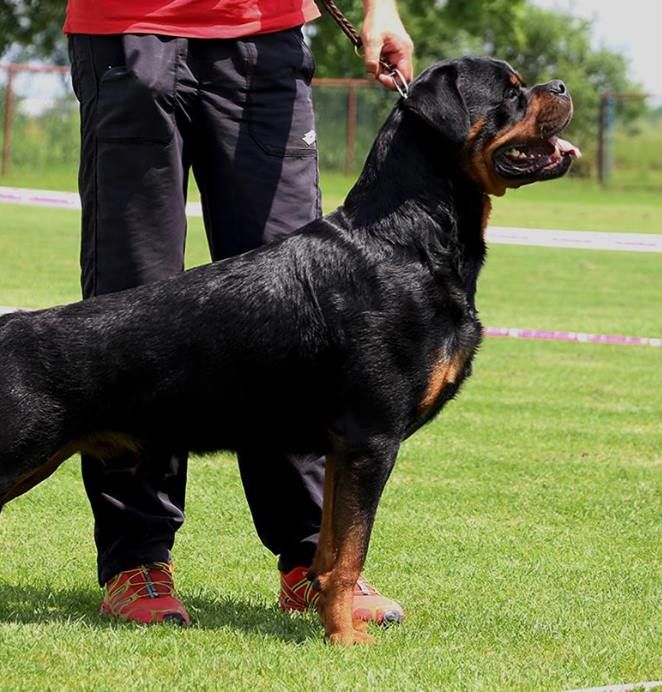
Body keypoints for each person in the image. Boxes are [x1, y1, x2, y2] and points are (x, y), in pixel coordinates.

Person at [64, 0, 414, 626]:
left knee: (298, 313)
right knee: (131, 311)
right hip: (127, 32)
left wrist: (380, 7)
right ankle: (136, 561)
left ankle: (316, 562)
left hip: (265, 39)